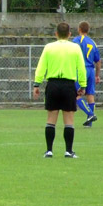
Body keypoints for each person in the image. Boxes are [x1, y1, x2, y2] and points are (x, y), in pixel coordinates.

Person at [33, 22, 87, 158]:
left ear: (56, 34)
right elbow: (81, 68)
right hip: (68, 85)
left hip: (53, 85)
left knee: (51, 118)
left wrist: (36, 84)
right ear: (69, 34)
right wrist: (83, 85)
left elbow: (41, 67)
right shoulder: (75, 48)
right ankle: (68, 151)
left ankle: (49, 151)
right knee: (69, 119)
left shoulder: (49, 47)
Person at [72, 21, 101, 127]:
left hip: (80, 70)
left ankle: (90, 114)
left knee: (76, 95)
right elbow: (98, 61)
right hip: (91, 70)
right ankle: (89, 123)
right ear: (88, 30)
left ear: (79, 29)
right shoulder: (93, 42)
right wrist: (97, 75)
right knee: (90, 95)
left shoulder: (76, 41)